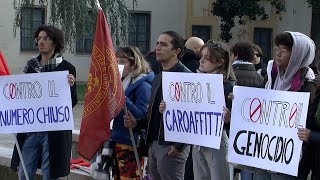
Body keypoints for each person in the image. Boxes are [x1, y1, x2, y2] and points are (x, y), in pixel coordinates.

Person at [10, 25, 78, 179]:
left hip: (53, 131)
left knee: (49, 172)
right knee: (24, 172)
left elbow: (71, 103)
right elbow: (23, 98)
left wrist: (71, 87)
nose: (41, 42)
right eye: (38, 38)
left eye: (45, 38)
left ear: (54, 42)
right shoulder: (31, 66)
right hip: (31, 129)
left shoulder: (66, 68)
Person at [124, 31, 191, 180]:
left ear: (177, 51)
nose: (158, 48)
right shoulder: (158, 77)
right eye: (157, 43)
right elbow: (152, 113)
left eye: (164, 44)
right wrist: (137, 123)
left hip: (171, 147)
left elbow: (193, 117)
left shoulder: (187, 78)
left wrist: (179, 146)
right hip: (153, 143)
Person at [253, 32, 317, 180]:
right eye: (277, 48)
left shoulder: (308, 84)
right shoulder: (271, 75)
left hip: (287, 156)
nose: (278, 53)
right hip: (263, 150)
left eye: (285, 50)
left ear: (298, 55)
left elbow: (306, 119)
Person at [111, 46, 154, 179]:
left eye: (122, 62)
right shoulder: (123, 82)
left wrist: (122, 98)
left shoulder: (143, 85)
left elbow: (142, 115)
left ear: (134, 64)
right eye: (116, 62)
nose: (118, 65)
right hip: (117, 138)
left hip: (130, 142)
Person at [231, 42, 264, 179]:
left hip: (230, 129)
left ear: (236, 55)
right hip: (251, 132)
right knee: (247, 169)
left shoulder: (229, 75)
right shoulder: (261, 78)